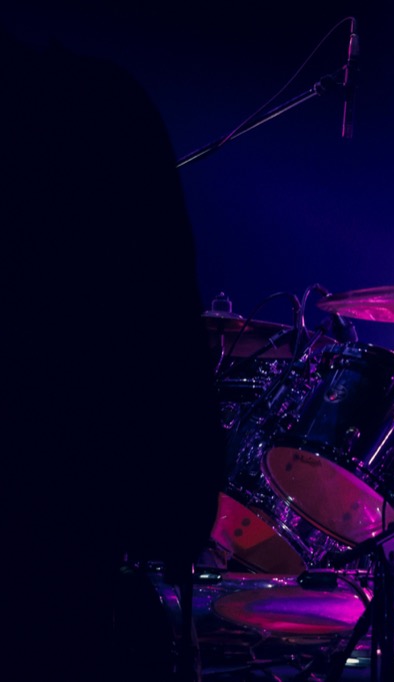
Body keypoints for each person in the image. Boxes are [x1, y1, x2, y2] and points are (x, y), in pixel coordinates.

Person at [1, 26, 226, 682]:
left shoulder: (88, 103)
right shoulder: (92, 105)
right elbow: (164, 324)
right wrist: (181, 511)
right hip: (64, 533)